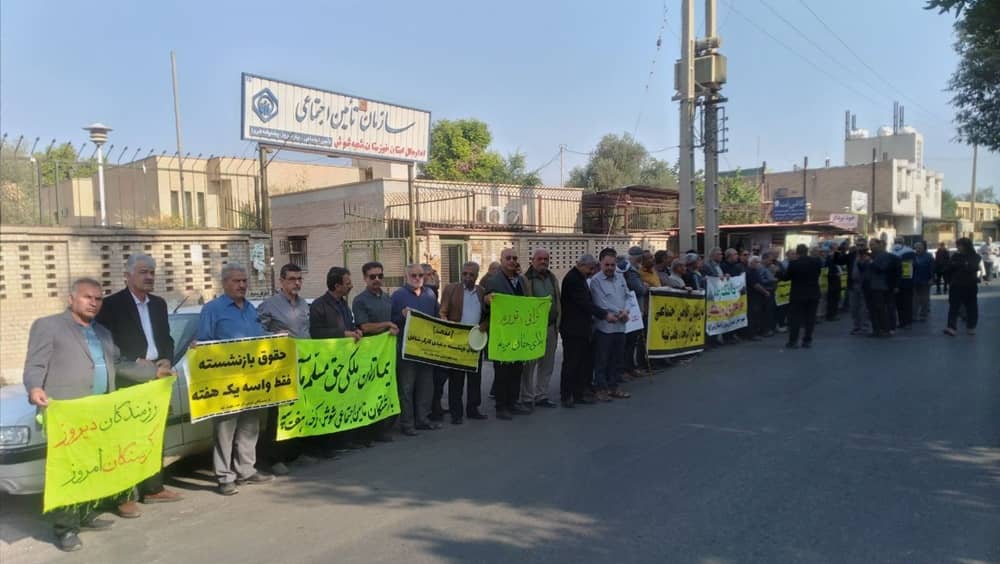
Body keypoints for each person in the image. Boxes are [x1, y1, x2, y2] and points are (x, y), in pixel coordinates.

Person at [25, 278, 172, 552]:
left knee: (92, 468)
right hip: (68, 415)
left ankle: (85, 515)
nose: (94, 302)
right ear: (72, 299)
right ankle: (65, 529)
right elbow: (35, 364)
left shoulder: (102, 332)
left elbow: (119, 364)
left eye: (98, 298)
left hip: (100, 415)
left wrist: (154, 372)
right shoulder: (48, 326)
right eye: (87, 297)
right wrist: (34, 388)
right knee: (69, 472)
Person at [95, 253, 183, 505]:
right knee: (126, 439)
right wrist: (135, 361)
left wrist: (167, 358)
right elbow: (106, 345)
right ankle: (124, 496)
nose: (149, 276)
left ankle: (154, 488)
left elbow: (166, 338)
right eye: (143, 272)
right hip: (128, 380)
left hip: (158, 378)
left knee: (154, 435)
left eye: (152, 272)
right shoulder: (111, 306)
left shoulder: (158, 304)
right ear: (128, 275)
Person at [196, 263, 274, 496]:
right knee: (225, 430)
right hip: (225, 383)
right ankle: (224, 476)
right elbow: (204, 344)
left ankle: (246, 470)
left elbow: (259, 339)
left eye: (244, 281)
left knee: (250, 426)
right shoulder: (212, 310)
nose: (242, 285)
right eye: (236, 281)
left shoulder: (251, 309)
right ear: (225, 283)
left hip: (252, 381)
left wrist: (278, 339)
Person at [256, 263, 310, 475]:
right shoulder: (269, 304)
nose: (296, 283)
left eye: (299, 279)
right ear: (281, 281)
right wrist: (274, 335)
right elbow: (257, 329)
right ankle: (274, 458)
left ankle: (294, 453)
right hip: (280, 367)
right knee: (278, 413)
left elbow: (308, 330)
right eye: (291, 279)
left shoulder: (304, 304)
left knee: (299, 409)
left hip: (303, 363)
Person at [352, 261, 400, 441]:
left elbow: (393, 321)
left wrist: (394, 327)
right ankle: (366, 434)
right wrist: (386, 325)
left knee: (386, 391)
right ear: (365, 278)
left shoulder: (387, 298)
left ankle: (382, 430)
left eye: (380, 276)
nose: (377, 279)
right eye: (372, 277)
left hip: (387, 353)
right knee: (369, 393)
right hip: (370, 355)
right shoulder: (360, 300)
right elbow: (364, 326)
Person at [391, 263, 441, 433]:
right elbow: (391, 320)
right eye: (414, 276)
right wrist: (400, 316)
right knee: (407, 388)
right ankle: (407, 424)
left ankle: (422, 419)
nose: (418, 278)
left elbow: (437, 318)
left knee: (426, 386)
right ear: (407, 277)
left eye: (420, 275)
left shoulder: (430, 294)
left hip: (426, 349)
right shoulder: (398, 296)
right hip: (407, 351)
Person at [483, 248, 532, 420]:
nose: (512, 261)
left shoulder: (521, 280)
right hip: (501, 334)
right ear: (502, 260)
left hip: (518, 333)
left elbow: (527, 301)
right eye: (508, 258)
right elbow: (486, 304)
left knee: (517, 369)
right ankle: (501, 406)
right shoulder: (493, 280)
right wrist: (488, 301)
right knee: (502, 372)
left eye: (514, 258)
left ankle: (513, 402)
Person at [438, 261, 488, 423]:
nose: (467, 277)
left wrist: (483, 326)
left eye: (471, 274)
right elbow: (443, 312)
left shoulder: (482, 292)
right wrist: (446, 322)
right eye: (465, 273)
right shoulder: (451, 289)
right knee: (456, 379)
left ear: (477, 276)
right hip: (457, 341)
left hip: (475, 340)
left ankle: (473, 409)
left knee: (475, 377)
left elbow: (487, 315)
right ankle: (456, 413)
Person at [559, 254, 605, 408]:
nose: (592, 272)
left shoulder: (580, 278)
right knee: (571, 363)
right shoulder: (573, 279)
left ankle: (578, 393)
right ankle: (566, 395)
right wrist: (604, 314)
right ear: (581, 265)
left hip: (582, 328)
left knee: (581, 363)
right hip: (573, 328)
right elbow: (584, 303)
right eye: (590, 269)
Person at [521, 248, 561, 408]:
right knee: (529, 364)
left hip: (550, 327)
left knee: (547, 363)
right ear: (533, 260)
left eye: (546, 259)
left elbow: (557, 300)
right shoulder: (525, 279)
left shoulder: (552, 278)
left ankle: (541, 395)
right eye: (540, 259)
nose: (543, 261)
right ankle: (526, 397)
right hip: (532, 329)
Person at [590, 249, 632, 402]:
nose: (609, 268)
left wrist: (625, 311)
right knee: (602, 360)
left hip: (620, 326)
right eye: (606, 264)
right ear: (600, 263)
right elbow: (601, 303)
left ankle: (614, 387)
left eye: (612, 265)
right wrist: (620, 313)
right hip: (604, 327)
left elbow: (628, 296)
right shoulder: (595, 281)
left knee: (617, 358)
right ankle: (601, 389)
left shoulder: (620, 278)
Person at [782, 244, 821, 349]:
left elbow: (786, 277)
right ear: (807, 251)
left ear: (798, 253)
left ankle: (793, 341)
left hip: (798, 295)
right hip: (813, 293)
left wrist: (777, 272)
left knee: (795, 319)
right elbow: (818, 274)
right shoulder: (816, 262)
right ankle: (807, 340)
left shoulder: (794, 264)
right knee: (810, 318)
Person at [620, 246, 649, 381]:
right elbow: (639, 289)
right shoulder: (630, 270)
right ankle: (626, 368)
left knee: (632, 342)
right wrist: (645, 286)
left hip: (634, 310)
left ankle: (630, 367)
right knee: (629, 342)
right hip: (632, 310)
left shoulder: (631, 269)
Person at [944, 238, 982, 336]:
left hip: (970, 285)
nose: (958, 247)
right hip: (956, 285)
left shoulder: (975, 256)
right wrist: (963, 265)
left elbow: (973, 267)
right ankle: (951, 328)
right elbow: (948, 267)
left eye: (959, 245)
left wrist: (959, 265)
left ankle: (971, 327)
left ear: (966, 245)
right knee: (954, 307)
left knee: (971, 307)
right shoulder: (955, 256)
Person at [864, 239, 894, 338]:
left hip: (879, 286)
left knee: (880, 308)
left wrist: (871, 262)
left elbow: (882, 268)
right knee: (871, 309)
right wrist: (862, 262)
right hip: (868, 286)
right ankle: (876, 330)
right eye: (870, 245)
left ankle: (886, 329)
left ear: (879, 244)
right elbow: (864, 269)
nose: (871, 247)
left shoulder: (884, 255)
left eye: (873, 245)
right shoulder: (869, 255)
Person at [892, 238, 916, 329]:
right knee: (902, 304)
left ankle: (905, 322)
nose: (897, 244)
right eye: (896, 242)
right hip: (905, 281)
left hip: (903, 282)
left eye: (898, 242)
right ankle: (904, 322)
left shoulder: (893, 252)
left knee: (904, 304)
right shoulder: (909, 252)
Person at [746, 255, 769, 340]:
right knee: (753, 316)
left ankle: (756, 332)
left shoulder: (755, 271)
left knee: (757, 315)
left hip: (757, 297)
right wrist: (765, 292)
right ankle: (752, 334)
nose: (758, 264)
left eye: (758, 262)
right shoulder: (750, 272)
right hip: (753, 297)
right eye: (756, 262)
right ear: (751, 262)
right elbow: (756, 285)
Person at [911, 242, 934, 323]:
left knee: (924, 299)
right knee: (915, 299)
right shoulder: (913, 256)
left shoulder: (929, 256)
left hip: (925, 280)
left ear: (924, 248)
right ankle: (914, 315)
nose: (918, 249)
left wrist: (931, 278)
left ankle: (923, 315)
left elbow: (932, 268)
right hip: (915, 280)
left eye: (919, 248)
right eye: (916, 248)